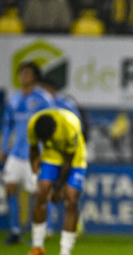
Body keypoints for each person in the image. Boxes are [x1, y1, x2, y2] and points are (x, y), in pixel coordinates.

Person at [1, 62, 55, 245]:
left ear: (35, 76)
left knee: (37, 195)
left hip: (35, 154)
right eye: (21, 73)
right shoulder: (14, 99)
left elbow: (52, 125)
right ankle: (16, 231)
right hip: (16, 153)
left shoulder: (43, 99)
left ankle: (37, 232)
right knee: (10, 189)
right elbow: (8, 125)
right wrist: (4, 149)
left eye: (27, 73)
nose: (23, 76)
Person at [27, 108, 87, 255]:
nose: (46, 141)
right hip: (51, 155)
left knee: (71, 199)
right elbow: (34, 150)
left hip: (74, 158)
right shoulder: (33, 124)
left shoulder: (70, 125)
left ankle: (65, 251)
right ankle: (37, 247)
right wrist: (35, 177)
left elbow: (68, 161)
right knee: (41, 194)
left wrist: (58, 189)